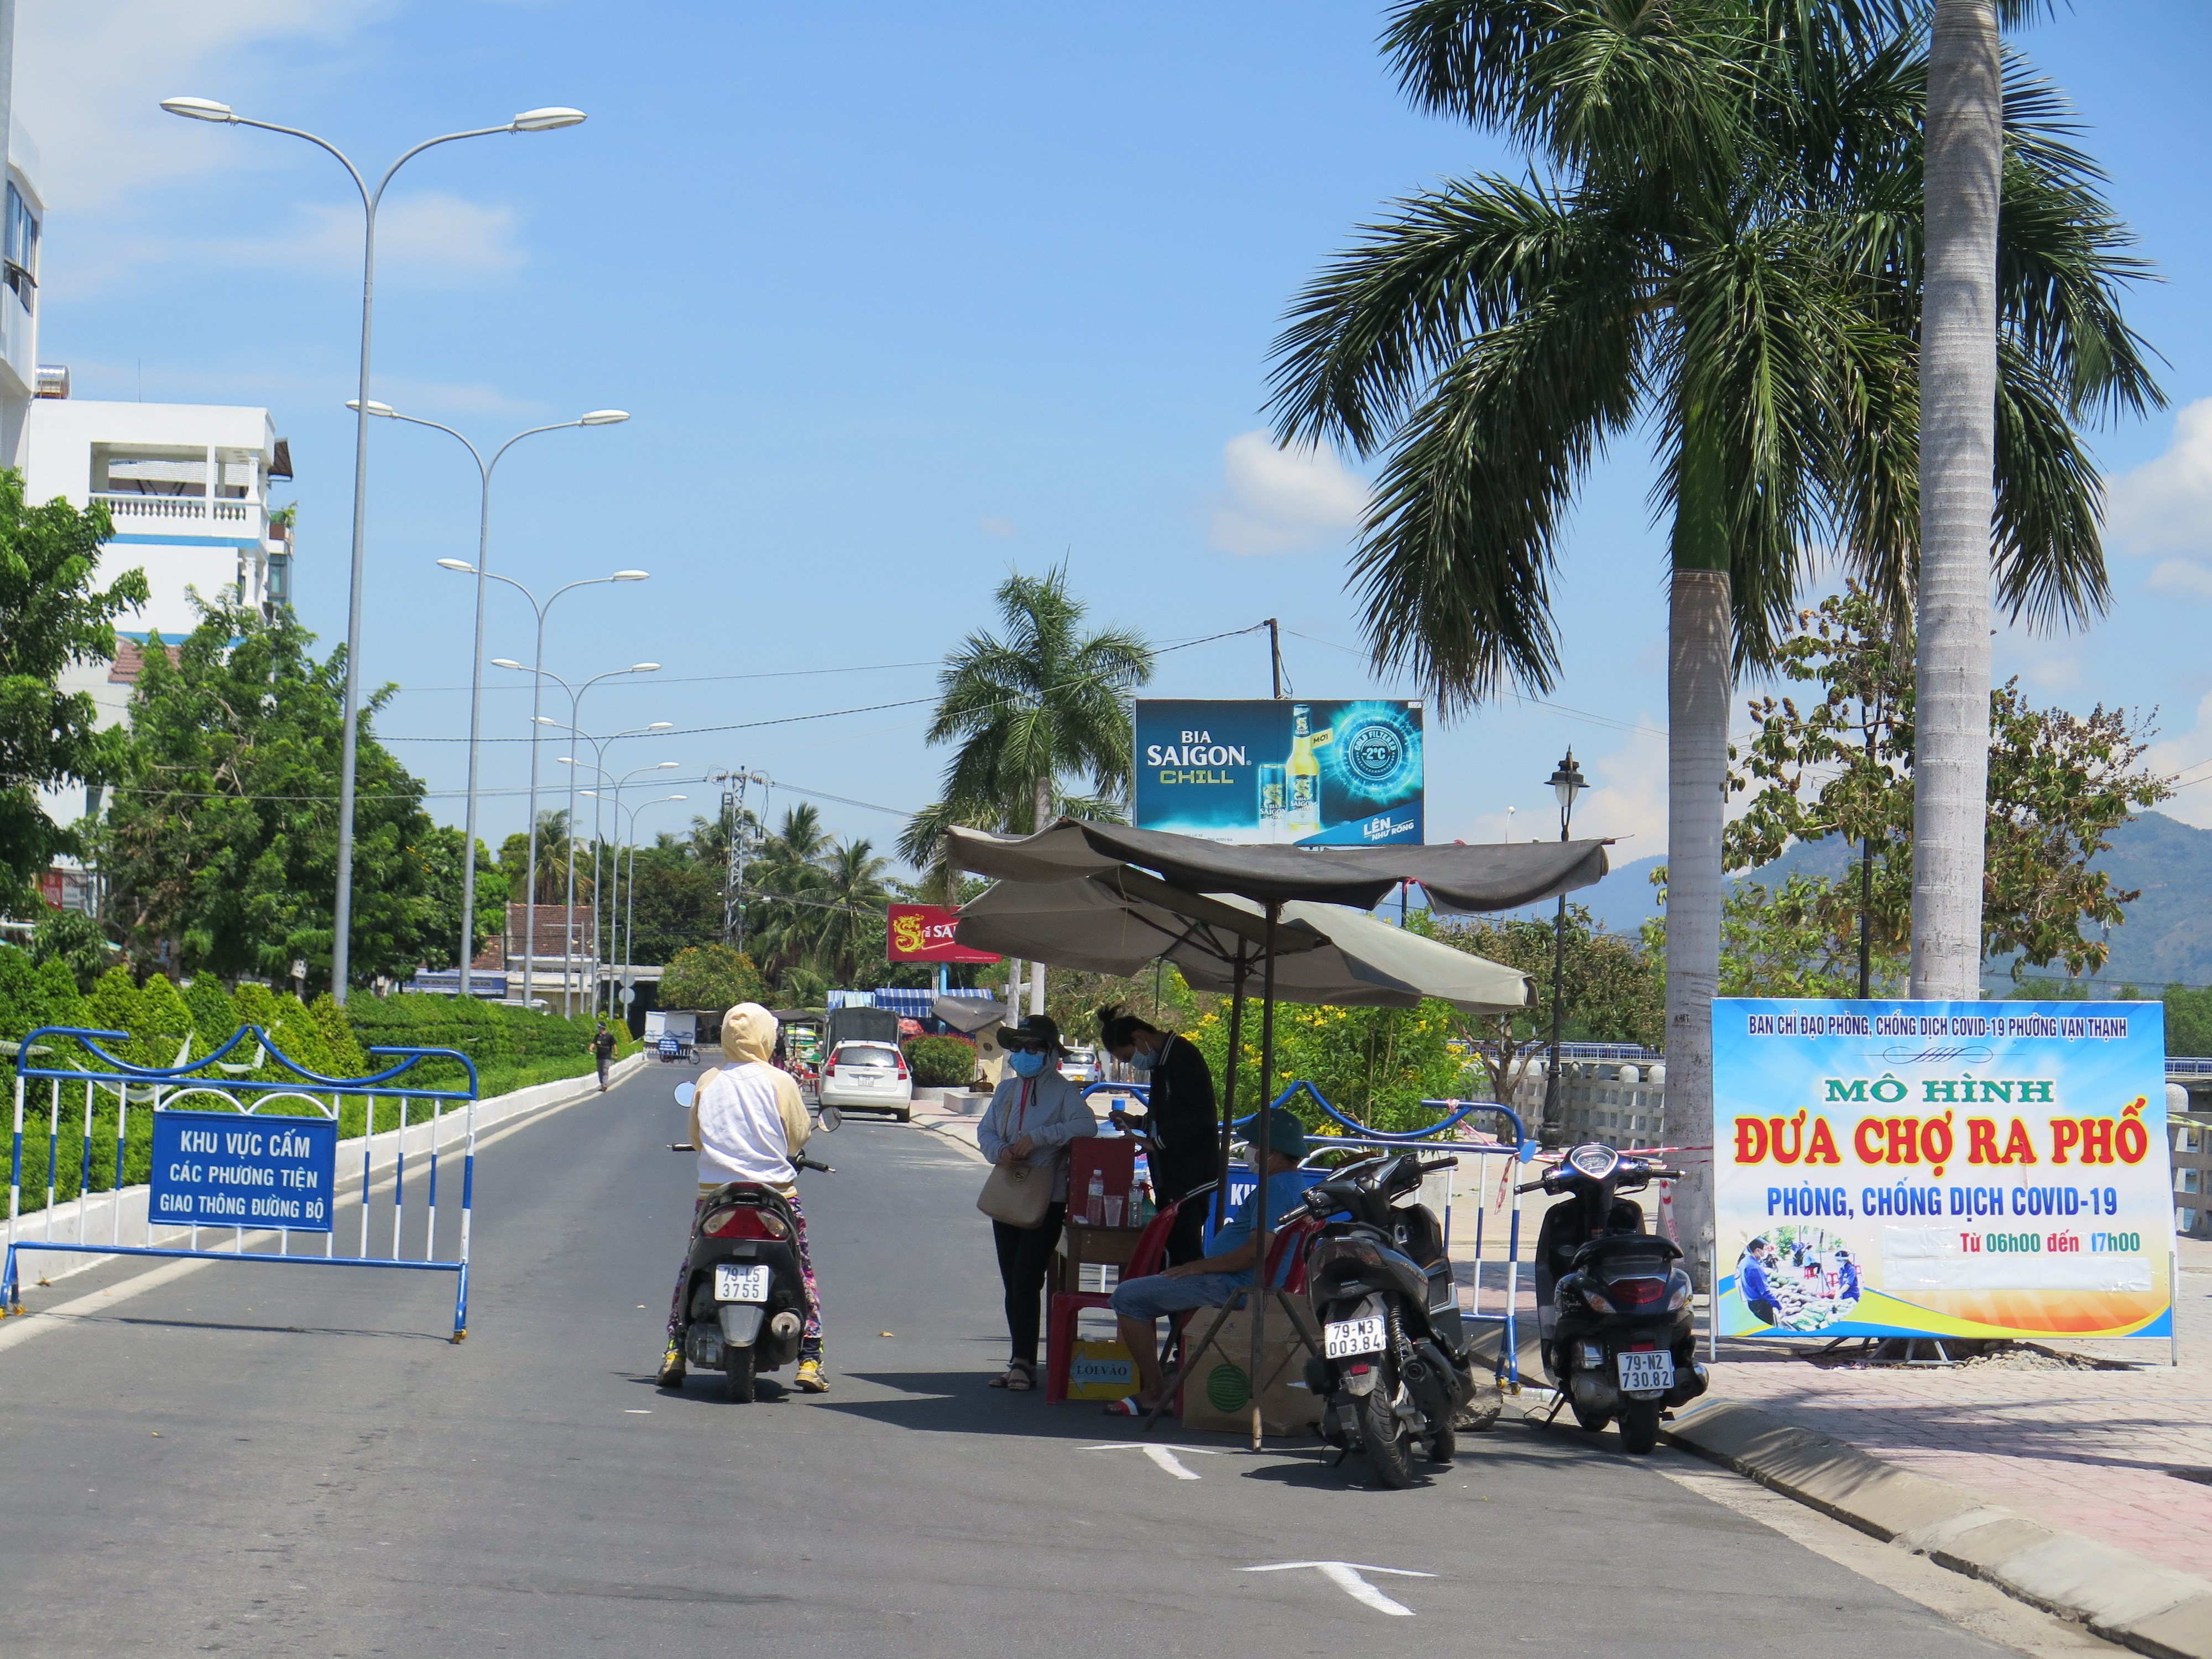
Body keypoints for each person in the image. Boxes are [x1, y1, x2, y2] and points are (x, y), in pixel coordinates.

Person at [658, 1003, 830, 1394]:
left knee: (692, 1268)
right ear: (766, 1037)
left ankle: (674, 1350)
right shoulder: (781, 1082)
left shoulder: (708, 1081)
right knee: (802, 1272)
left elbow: (698, 1138)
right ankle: (811, 1358)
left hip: (717, 1199)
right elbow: (798, 1136)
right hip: (775, 1197)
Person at [1104, 1106, 1317, 1417]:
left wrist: (1198, 1266)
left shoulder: (1274, 1190)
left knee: (1128, 1297)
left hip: (1235, 1287)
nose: (1248, 1152)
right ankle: (1171, 1377)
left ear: (1270, 1153)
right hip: (1249, 1283)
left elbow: (1254, 1253)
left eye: (1253, 1147)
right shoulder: (1296, 1185)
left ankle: (1153, 1391)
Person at [977, 1014, 1098, 1392]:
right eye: (1019, 1047)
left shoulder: (1064, 1093)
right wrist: (1001, 1152)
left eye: (1034, 1047)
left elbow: (1086, 1126)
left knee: (1028, 1280)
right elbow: (986, 1132)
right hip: (1008, 1194)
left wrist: (1040, 1137)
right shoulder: (1006, 1091)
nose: (1025, 1054)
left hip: (1047, 1198)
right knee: (1013, 1284)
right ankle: (1019, 1359)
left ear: (1049, 1054)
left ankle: (1026, 1364)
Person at [1096, 1005, 1216, 1266]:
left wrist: (1155, 1142)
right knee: (1170, 1253)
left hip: (1190, 1176)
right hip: (1171, 1175)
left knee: (1184, 1255)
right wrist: (1138, 1122)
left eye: (1129, 1057)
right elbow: (1171, 1113)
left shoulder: (1182, 1057)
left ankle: (1188, 1308)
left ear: (1139, 1037)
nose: (1134, 1063)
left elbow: (1199, 1114)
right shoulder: (1163, 1062)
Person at [1739, 1237, 1782, 1327]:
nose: (1766, 1252)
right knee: (1766, 1327)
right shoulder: (1755, 1267)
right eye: (1765, 1249)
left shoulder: (1744, 1261)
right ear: (1758, 1250)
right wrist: (1779, 1306)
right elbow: (1765, 1292)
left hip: (1751, 1301)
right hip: (1761, 1305)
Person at [591, 1020, 617, 1091]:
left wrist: (616, 1054)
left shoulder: (609, 1036)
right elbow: (594, 1043)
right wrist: (591, 1048)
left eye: (599, 1027)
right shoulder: (597, 1036)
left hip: (607, 1057)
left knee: (605, 1070)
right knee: (600, 1071)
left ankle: (605, 1084)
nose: (598, 1029)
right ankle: (602, 1085)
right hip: (599, 1057)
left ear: (602, 1028)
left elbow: (614, 1045)